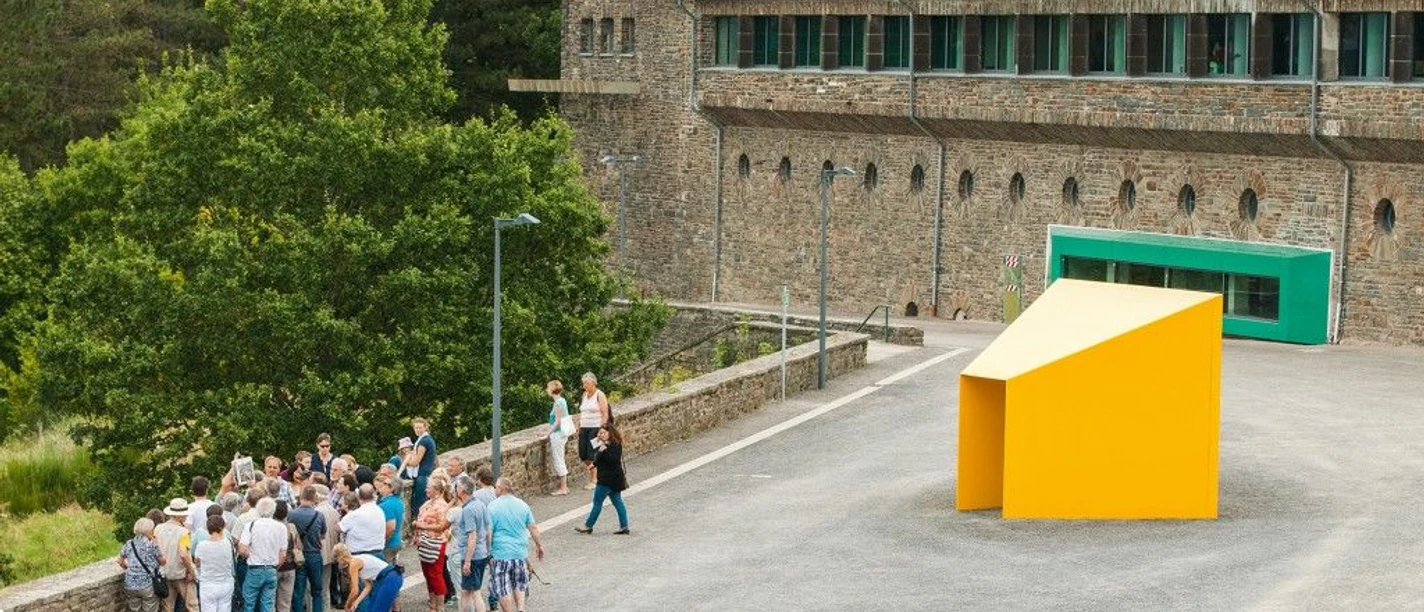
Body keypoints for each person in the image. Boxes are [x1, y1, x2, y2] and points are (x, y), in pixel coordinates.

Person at [486, 478, 544, 612]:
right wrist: (539, 546)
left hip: (500, 554)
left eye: (496, 488)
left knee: (502, 588)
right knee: (519, 584)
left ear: (501, 488)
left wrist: (488, 552)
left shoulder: (492, 506)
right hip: (520, 554)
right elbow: (533, 528)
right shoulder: (523, 505)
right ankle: (521, 609)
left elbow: (489, 532)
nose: (495, 490)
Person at [574, 424, 631, 535]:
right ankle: (624, 526)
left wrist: (602, 451)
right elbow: (600, 459)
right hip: (613, 478)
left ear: (610, 433)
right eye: (600, 433)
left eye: (603, 433)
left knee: (597, 503)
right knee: (617, 502)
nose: (601, 435)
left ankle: (588, 526)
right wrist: (593, 464)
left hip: (608, 479)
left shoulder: (615, 445)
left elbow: (613, 460)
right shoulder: (604, 444)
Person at [239, 498, 288, 612]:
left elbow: (242, 549)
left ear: (258, 509)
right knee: (268, 605)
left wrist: (248, 556)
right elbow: (283, 554)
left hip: (254, 568)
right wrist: (275, 567)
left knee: (249, 604)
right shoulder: (281, 527)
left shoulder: (250, 525)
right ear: (273, 510)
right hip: (271, 569)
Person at [452, 476, 490, 612]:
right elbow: (488, 529)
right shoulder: (480, 505)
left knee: (475, 592)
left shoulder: (468, 510)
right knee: (466, 590)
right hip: (480, 553)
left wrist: (467, 561)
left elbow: (472, 536)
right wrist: (488, 550)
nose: (455, 488)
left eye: (457, 486)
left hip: (472, 556)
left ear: (462, 490)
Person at [413, 478, 451, 611]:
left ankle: (439, 606)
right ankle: (432, 603)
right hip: (424, 542)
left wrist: (421, 526)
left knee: (436, 574)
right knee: (428, 574)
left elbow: (442, 527)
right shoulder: (429, 502)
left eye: (428, 487)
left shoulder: (442, 506)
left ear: (436, 490)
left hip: (436, 542)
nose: (425, 489)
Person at [155, 499, 197, 612]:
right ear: (179, 517)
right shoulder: (184, 532)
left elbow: (155, 549)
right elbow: (183, 554)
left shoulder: (158, 529)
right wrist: (191, 571)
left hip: (165, 574)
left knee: (167, 608)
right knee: (192, 606)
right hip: (181, 575)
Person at [333, 544, 403, 612]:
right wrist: (356, 603)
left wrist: (347, 605)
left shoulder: (353, 563)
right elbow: (368, 586)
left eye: (337, 561)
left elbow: (354, 591)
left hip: (390, 578)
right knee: (371, 608)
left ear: (340, 557)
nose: (338, 563)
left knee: (377, 610)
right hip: (392, 577)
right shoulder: (358, 559)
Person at [119, 517, 168, 612]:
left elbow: (119, 561)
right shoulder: (152, 545)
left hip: (130, 584)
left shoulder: (129, 543)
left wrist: (129, 569)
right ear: (149, 531)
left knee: (135, 609)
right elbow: (162, 562)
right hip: (147, 584)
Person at [193, 515, 236, 612]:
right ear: (223, 527)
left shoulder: (201, 545)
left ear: (208, 528)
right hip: (226, 583)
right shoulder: (228, 543)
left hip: (207, 584)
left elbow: (197, 563)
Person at [576, 372, 611, 490]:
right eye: (584, 383)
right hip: (584, 427)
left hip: (595, 427)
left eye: (587, 383)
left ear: (593, 383)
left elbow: (604, 413)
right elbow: (582, 412)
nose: (584, 385)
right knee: (583, 454)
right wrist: (579, 426)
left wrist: (601, 429)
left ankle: (594, 479)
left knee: (592, 454)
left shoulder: (599, 395)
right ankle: (595, 475)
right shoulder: (584, 395)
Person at [402, 418, 437, 517]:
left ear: (425, 427)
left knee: (419, 504)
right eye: (416, 428)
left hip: (422, 475)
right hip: (427, 473)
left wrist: (405, 461)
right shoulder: (429, 439)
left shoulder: (423, 442)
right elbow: (435, 458)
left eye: (420, 427)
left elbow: (415, 462)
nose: (417, 430)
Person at [341, 484, 387, 557]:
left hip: (359, 555)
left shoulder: (355, 514)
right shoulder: (380, 510)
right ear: (373, 495)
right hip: (377, 553)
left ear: (359, 497)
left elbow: (340, 528)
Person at [544, 380, 571, 496]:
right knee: (560, 458)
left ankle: (563, 487)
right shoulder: (561, 401)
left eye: (548, 388)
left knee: (558, 459)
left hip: (558, 435)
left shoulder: (558, 403)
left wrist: (547, 434)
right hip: (560, 434)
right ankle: (564, 486)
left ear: (552, 390)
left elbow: (557, 422)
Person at [275, 501, 300, 612]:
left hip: (275, 566)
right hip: (290, 567)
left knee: (271, 601)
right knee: (285, 603)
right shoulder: (291, 527)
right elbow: (299, 546)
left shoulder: (272, 527)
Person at [375, 475, 406, 564]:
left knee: (384, 572)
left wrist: (382, 542)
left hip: (389, 544)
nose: (382, 485)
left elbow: (391, 527)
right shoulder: (399, 502)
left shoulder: (386, 505)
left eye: (385, 483)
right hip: (396, 541)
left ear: (391, 488)